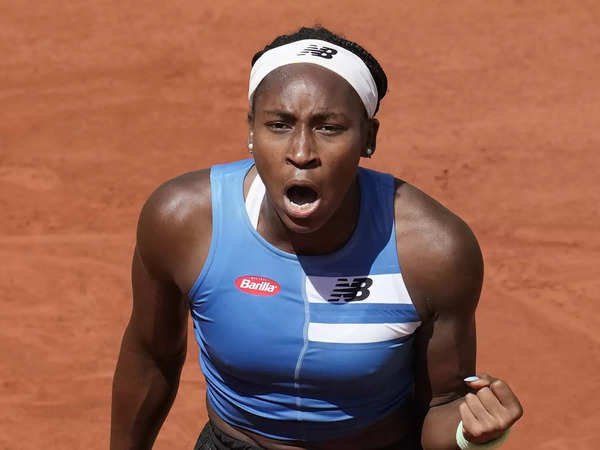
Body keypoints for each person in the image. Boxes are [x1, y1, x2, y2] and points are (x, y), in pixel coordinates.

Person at [110, 26, 523, 450]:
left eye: (329, 127)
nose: (302, 152)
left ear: (368, 138)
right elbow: (151, 356)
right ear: (251, 130)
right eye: (279, 124)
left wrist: (472, 436)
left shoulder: (433, 251)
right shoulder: (183, 222)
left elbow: (442, 402)